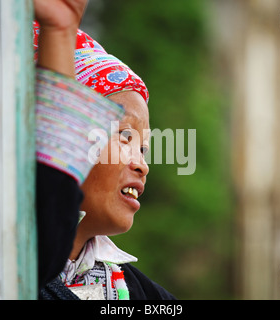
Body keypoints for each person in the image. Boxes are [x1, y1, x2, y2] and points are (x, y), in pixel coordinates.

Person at [34, 0, 175, 300]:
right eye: (124, 135)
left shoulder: (147, 298)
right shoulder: (4, 271)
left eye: (144, 149)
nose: (143, 165)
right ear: (62, 133)